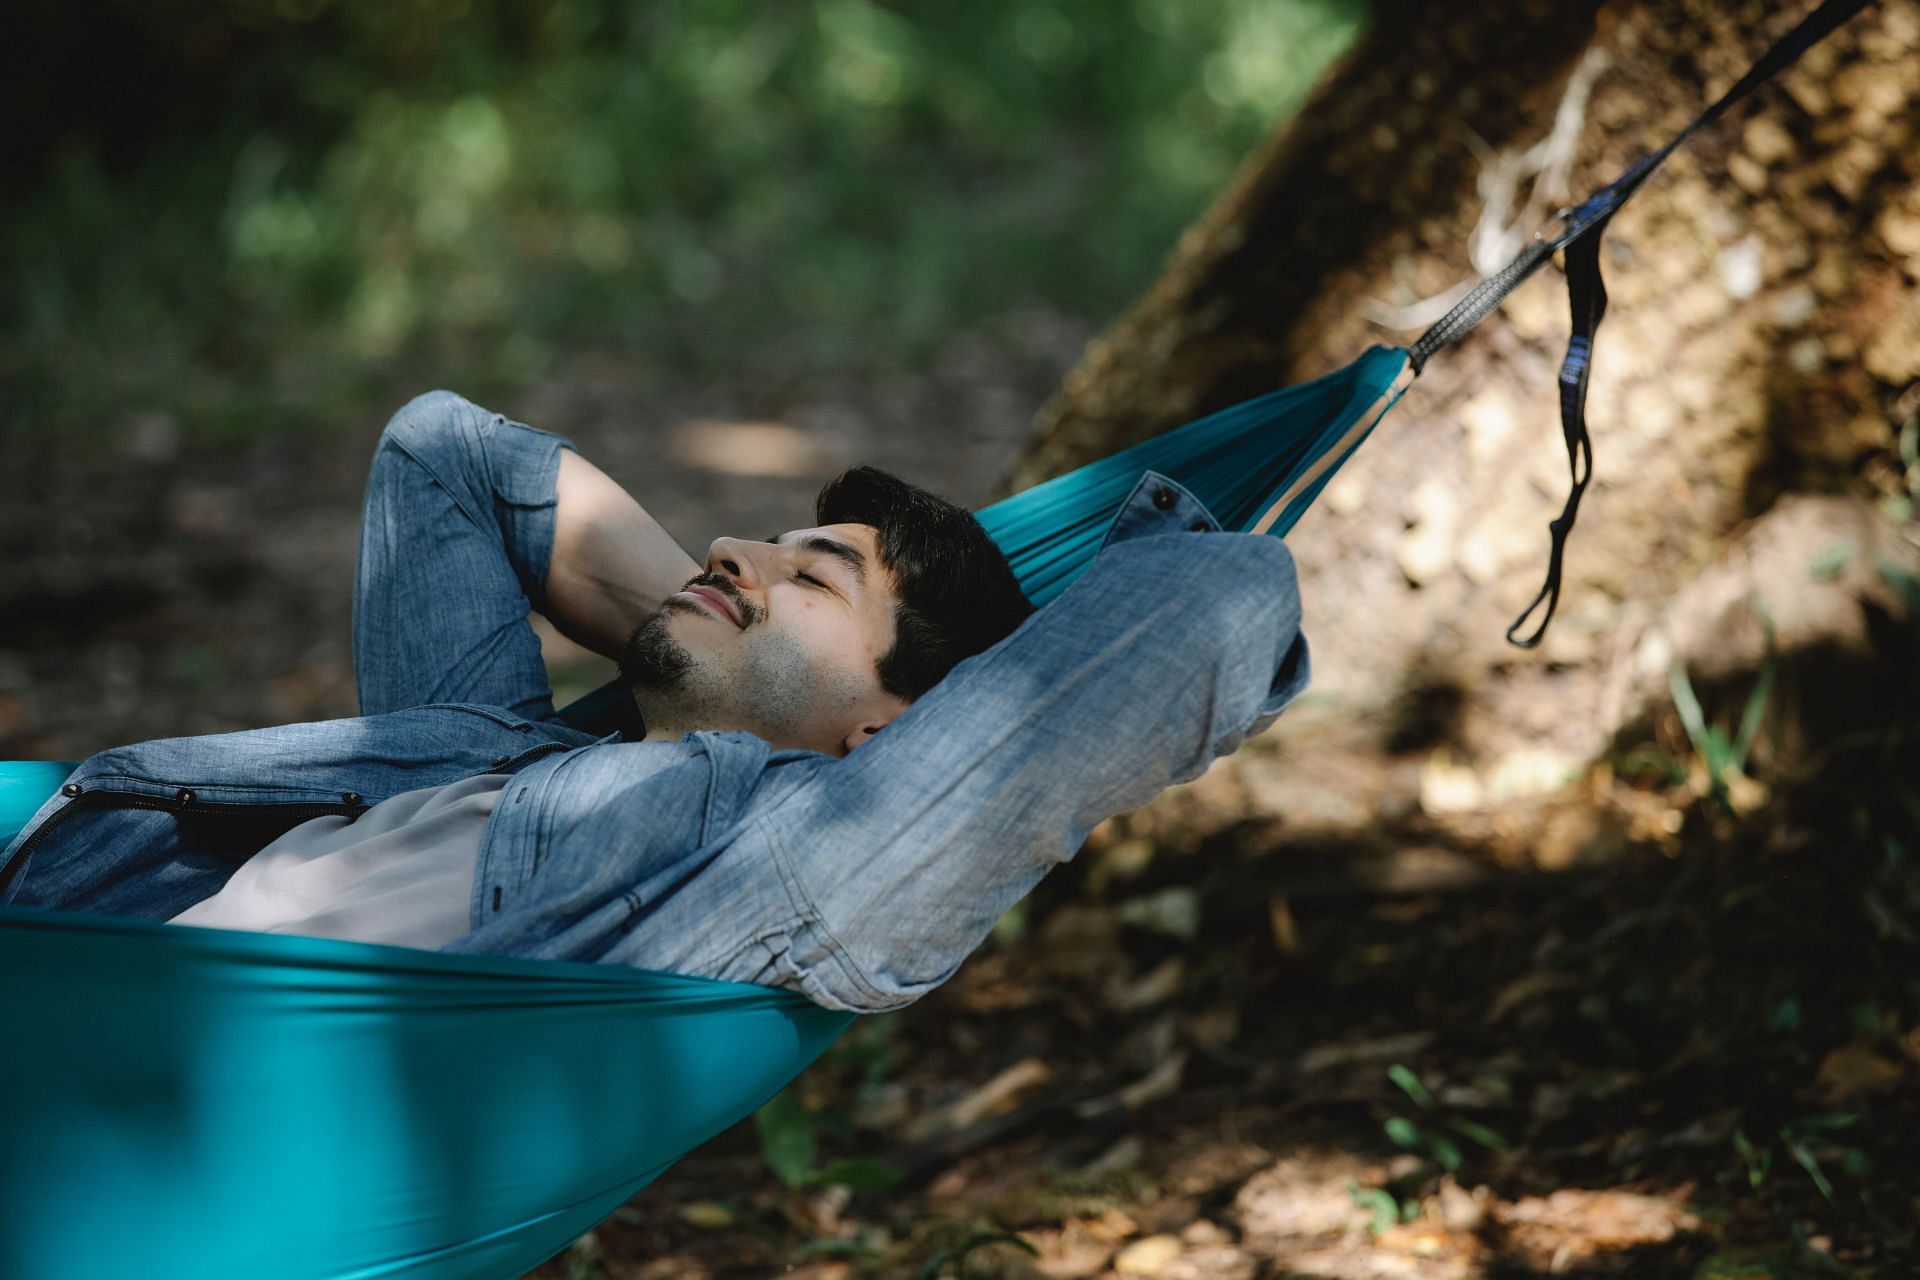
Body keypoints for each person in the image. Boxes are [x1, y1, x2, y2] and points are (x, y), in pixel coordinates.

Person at [0, 391, 1311, 1011]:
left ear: (896, 730)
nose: (736, 546)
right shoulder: (483, 747)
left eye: (822, 574)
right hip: (60, 935)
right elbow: (442, 455)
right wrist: (719, 609)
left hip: (108, 1065)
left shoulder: (781, 869)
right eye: (762, 543)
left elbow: (1221, 602)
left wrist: (762, 645)